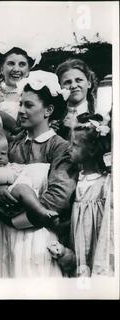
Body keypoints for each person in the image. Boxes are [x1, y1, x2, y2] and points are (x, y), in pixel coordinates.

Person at [0, 71, 77, 278]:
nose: (21, 110)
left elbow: (56, 201)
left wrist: (13, 221)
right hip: (4, 239)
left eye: (29, 105)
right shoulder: (11, 145)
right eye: (20, 104)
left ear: (48, 110)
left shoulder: (60, 148)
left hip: (38, 239)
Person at [47, 113, 112, 277]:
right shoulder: (75, 179)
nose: (69, 148)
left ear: (91, 150)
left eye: (74, 145)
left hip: (96, 251)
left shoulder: (104, 185)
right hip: (75, 250)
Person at [0, 129, 59, 223]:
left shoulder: (6, 165)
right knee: (22, 189)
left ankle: (36, 209)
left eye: (3, 153)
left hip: (15, 198)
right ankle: (41, 210)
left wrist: (19, 169)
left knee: (25, 189)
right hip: (6, 196)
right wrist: (10, 177)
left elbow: (15, 169)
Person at [56, 58, 98, 140]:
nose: (74, 86)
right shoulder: (54, 118)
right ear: (60, 87)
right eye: (67, 82)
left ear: (89, 83)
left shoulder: (101, 114)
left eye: (79, 80)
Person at [0, 46, 39, 121]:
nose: (16, 69)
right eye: (11, 64)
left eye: (22, 64)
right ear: (2, 69)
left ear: (28, 71)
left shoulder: (34, 96)